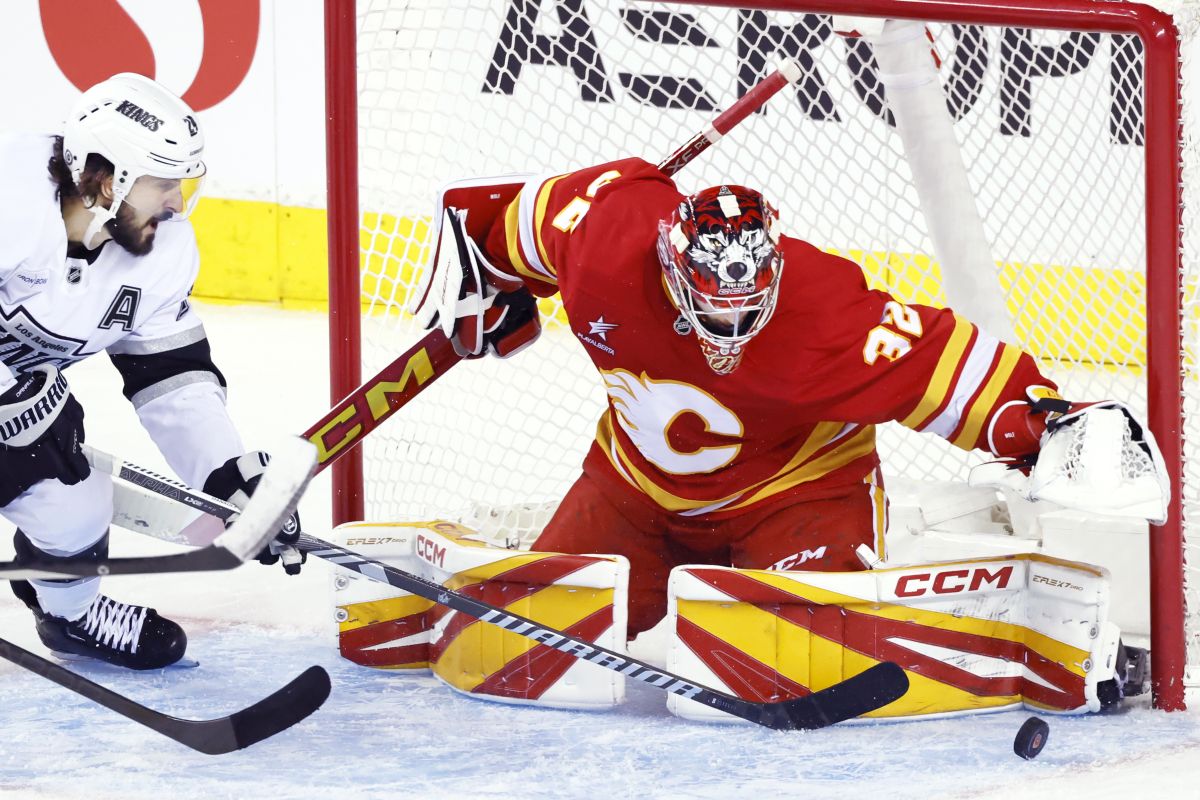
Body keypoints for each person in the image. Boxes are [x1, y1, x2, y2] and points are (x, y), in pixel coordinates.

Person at [417, 156, 1165, 656]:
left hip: (796, 496)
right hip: (632, 489)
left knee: (780, 649)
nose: (731, 335)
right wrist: (487, 268)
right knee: (527, 643)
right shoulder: (606, 242)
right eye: (713, 311)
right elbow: (518, 222)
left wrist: (1039, 420)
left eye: (750, 310)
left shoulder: (823, 312)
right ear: (673, 268)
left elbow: (951, 367)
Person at [0, 73, 302, 671]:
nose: (176, 203)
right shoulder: (9, 196)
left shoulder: (164, 253)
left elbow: (171, 377)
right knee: (38, 422)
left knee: (75, 499)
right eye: (163, 184)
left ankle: (71, 612)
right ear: (104, 179)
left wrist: (224, 474)